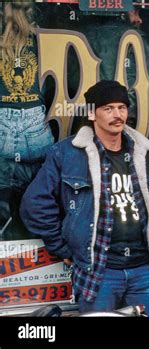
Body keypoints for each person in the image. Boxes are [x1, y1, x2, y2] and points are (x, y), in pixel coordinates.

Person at [20, 80, 149, 316]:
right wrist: (65, 248)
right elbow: (34, 205)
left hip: (142, 267)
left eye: (121, 107)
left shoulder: (145, 153)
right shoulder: (67, 153)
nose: (117, 115)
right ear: (92, 113)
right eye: (108, 108)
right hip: (99, 270)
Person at [0, 1, 54, 240]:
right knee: (37, 200)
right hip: (36, 124)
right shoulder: (44, 39)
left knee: (4, 197)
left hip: (2, 124)